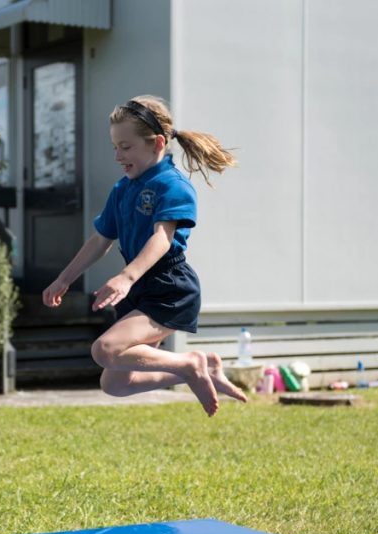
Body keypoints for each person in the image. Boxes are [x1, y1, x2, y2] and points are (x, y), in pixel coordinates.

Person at [43, 95, 248, 417]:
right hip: (140, 288)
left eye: (126, 147)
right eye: (115, 147)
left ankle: (190, 363)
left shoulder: (172, 185)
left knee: (105, 349)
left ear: (157, 143)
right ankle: (202, 366)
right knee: (116, 383)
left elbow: (162, 239)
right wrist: (64, 279)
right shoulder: (123, 188)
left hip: (169, 287)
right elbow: (100, 239)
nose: (117, 156)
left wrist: (126, 277)